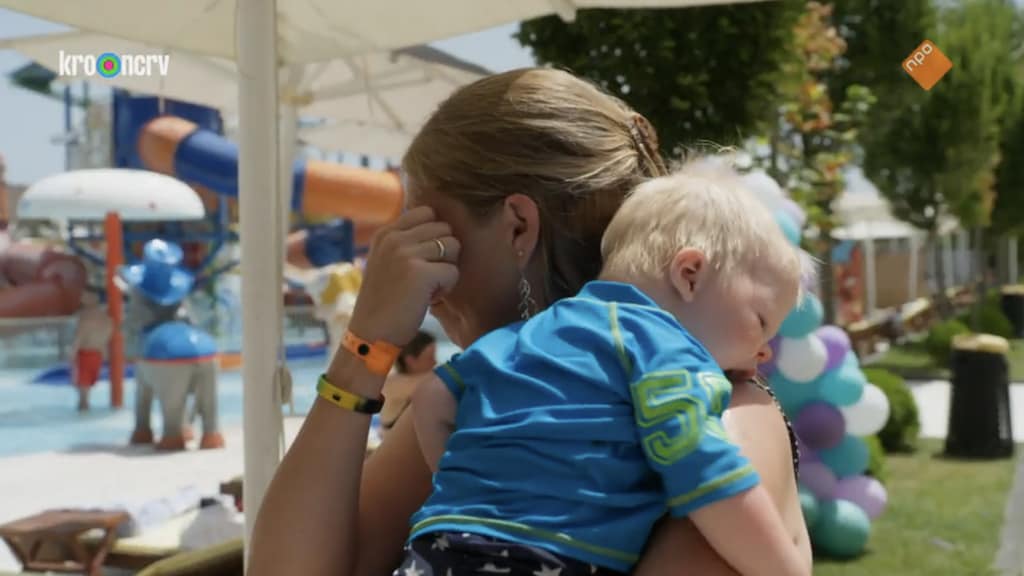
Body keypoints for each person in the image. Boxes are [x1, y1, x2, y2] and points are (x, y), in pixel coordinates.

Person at [248, 68, 811, 576]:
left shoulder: (729, 418)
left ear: (518, 226)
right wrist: (364, 347)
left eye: (430, 238)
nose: (417, 282)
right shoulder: (502, 403)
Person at [407, 167, 807, 576]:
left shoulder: (527, 333)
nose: (762, 353)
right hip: (547, 556)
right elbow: (702, 467)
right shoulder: (664, 346)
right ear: (689, 274)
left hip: (436, 545)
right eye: (761, 321)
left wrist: (462, 483)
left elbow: (432, 397)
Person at [379, 331, 438, 432]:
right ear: (410, 361)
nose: (435, 362)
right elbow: (438, 378)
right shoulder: (393, 383)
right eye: (430, 357)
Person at [71, 291, 114, 411]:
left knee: (83, 393)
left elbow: (80, 335)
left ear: (93, 298)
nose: (81, 298)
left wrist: (72, 352)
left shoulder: (85, 316)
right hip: (98, 353)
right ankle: (84, 407)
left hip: (85, 352)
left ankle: (83, 407)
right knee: (87, 385)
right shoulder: (106, 317)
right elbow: (108, 334)